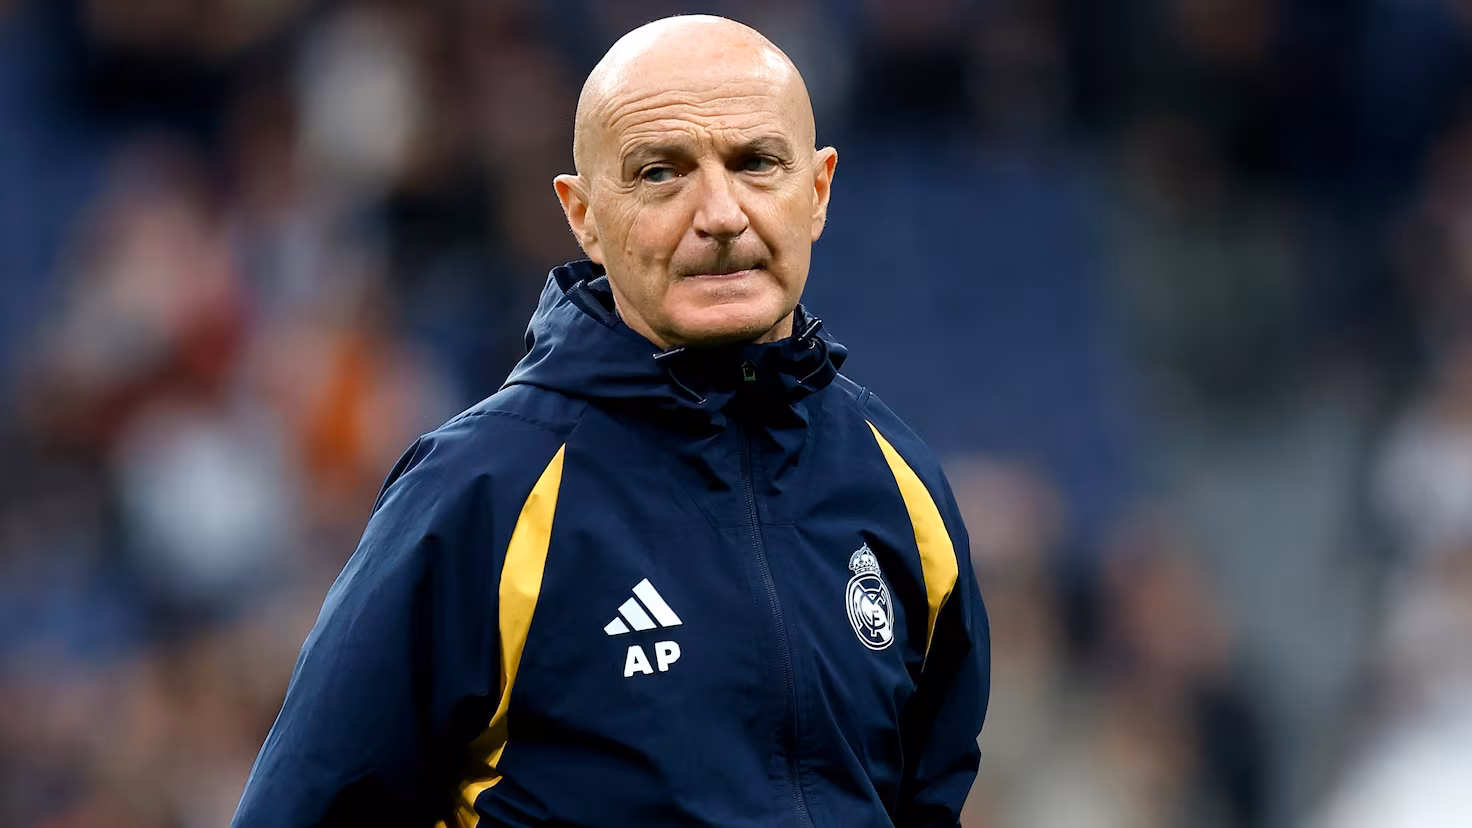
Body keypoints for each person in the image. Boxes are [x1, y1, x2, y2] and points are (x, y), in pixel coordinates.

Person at [232, 14, 989, 828]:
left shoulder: (898, 486)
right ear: (583, 214)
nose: (721, 214)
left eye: (756, 164)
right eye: (661, 173)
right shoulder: (480, 492)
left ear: (817, 191)